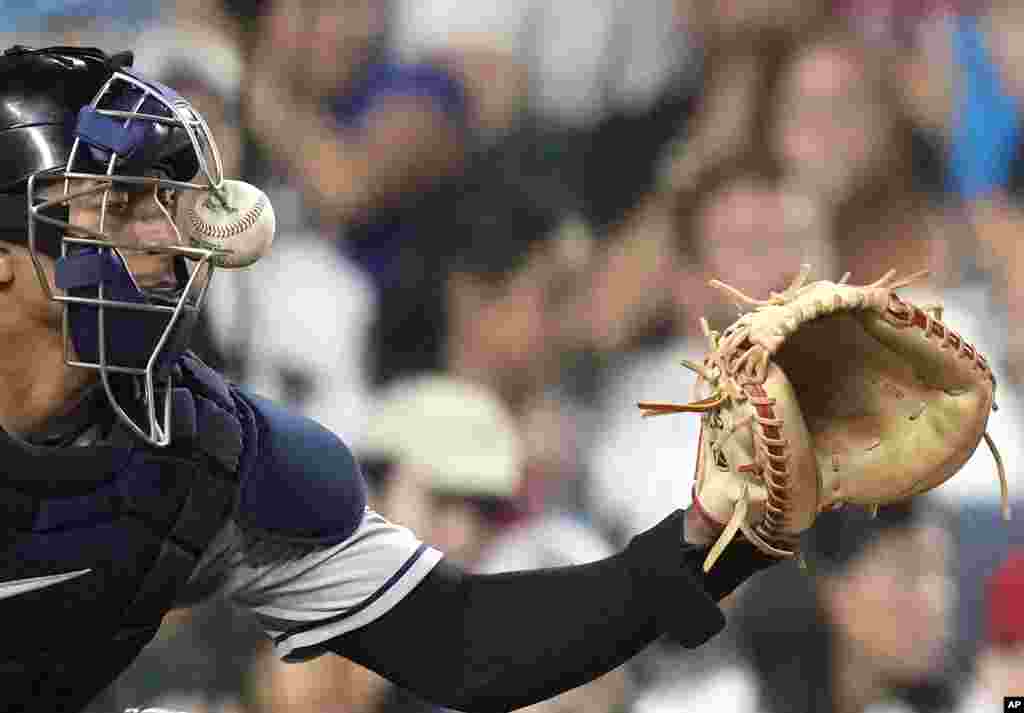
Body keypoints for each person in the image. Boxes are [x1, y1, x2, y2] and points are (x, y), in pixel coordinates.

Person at [0, 45, 775, 712]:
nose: (165, 236)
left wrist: (700, 547)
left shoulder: (199, 451)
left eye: (165, 202)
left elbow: (466, 641)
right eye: (116, 205)